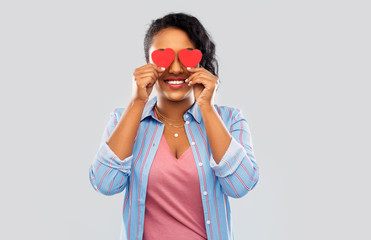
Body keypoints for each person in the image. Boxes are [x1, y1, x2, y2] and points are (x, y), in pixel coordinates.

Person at [89, 12, 259, 240]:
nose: (176, 69)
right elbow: (104, 183)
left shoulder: (231, 120)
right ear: (148, 63)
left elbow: (240, 186)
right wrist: (137, 102)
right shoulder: (124, 119)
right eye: (163, 57)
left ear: (200, 62)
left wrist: (206, 108)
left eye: (187, 57)